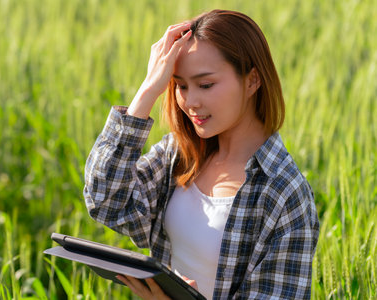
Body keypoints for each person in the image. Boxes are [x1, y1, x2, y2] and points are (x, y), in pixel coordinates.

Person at [84, 9, 319, 299]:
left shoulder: (285, 193)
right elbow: (105, 201)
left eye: (206, 85)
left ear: (252, 80)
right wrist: (147, 90)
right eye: (180, 85)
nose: (190, 101)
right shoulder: (180, 154)